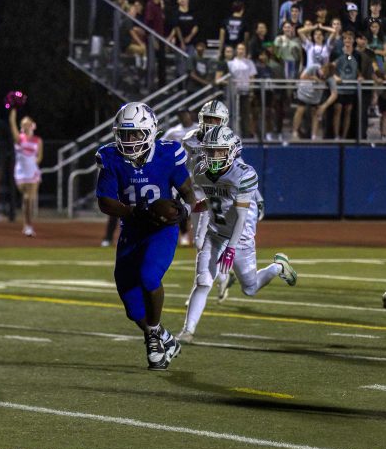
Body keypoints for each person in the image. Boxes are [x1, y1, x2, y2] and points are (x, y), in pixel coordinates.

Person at [96, 102, 201, 370]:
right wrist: (135, 211)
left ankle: (153, 336)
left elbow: (188, 192)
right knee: (130, 302)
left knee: (148, 276)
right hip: (132, 229)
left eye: (135, 133)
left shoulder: (167, 154)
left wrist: (185, 211)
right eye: (124, 134)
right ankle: (164, 337)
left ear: (150, 132)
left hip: (160, 229)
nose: (129, 140)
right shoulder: (111, 157)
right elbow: (105, 202)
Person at [177, 126, 296, 341]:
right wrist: (189, 208)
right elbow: (212, 200)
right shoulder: (201, 170)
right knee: (203, 282)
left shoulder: (243, 174)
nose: (214, 156)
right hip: (215, 234)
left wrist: (231, 249)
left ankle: (278, 266)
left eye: (220, 151)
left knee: (250, 288)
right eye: (210, 150)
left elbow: (241, 217)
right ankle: (187, 331)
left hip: (239, 237)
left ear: (231, 151)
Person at [8, 105, 42, 238]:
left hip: (33, 173)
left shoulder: (38, 140)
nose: (26, 126)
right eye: (23, 124)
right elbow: (12, 124)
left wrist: (34, 162)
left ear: (32, 125)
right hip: (21, 173)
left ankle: (28, 225)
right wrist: (13, 110)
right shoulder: (19, 138)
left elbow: (39, 156)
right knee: (26, 198)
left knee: (29, 199)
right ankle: (26, 224)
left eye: (28, 124)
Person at [333, 32, 360, 140]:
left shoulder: (357, 55)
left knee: (348, 111)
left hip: (351, 88)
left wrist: (360, 77)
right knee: (338, 109)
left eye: (350, 38)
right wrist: (335, 77)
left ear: (353, 40)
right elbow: (330, 68)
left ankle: (344, 137)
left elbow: (359, 70)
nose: (348, 40)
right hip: (340, 88)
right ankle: (336, 136)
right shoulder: (338, 53)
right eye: (346, 39)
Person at [227, 43, 258, 138]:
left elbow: (252, 77)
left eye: (243, 49)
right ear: (236, 50)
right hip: (234, 92)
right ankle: (232, 132)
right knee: (233, 112)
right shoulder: (231, 63)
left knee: (245, 112)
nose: (241, 51)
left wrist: (251, 90)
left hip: (245, 90)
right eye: (239, 49)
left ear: (245, 51)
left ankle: (245, 133)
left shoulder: (249, 62)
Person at [167, 0, 198, 77]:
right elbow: (176, 28)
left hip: (191, 43)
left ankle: (190, 81)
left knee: (190, 63)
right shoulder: (176, 13)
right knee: (180, 66)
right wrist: (181, 42)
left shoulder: (192, 12)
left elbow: (196, 26)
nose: (182, 0)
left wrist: (190, 36)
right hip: (179, 43)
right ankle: (180, 82)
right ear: (177, 1)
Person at [144, 0, 167, 85]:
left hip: (161, 37)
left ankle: (162, 84)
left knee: (162, 62)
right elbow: (149, 23)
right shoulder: (151, 5)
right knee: (152, 62)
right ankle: (149, 83)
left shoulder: (160, 6)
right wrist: (154, 40)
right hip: (153, 37)